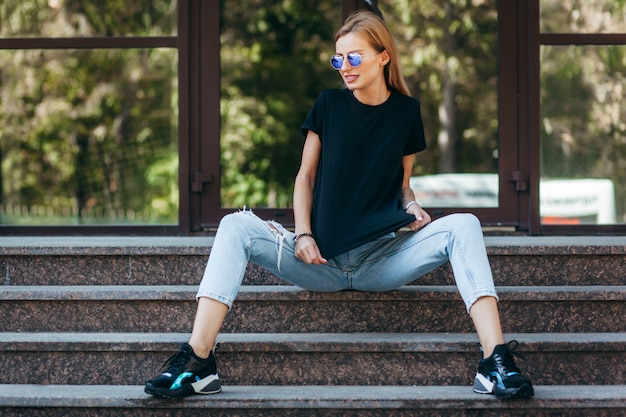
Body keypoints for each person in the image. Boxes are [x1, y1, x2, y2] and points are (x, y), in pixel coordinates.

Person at [144, 9, 534, 400]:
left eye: (353, 57)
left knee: (465, 224)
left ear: (383, 57)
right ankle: (198, 363)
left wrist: (412, 206)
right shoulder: (328, 105)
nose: (344, 67)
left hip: (381, 259)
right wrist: (304, 234)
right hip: (321, 262)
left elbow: (404, 187)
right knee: (234, 225)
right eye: (338, 59)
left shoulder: (407, 112)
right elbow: (305, 178)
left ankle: (494, 362)